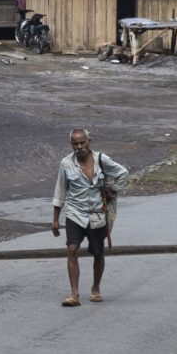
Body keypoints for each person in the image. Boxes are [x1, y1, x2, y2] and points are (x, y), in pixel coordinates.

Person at [50, 128, 127, 306]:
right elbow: (60, 191)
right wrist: (55, 219)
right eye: (75, 144)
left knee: (98, 253)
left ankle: (95, 289)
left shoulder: (101, 159)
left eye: (82, 142)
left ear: (88, 141)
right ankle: (74, 295)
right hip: (75, 214)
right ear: (71, 145)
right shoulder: (66, 163)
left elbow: (122, 173)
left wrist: (112, 191)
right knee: (72, 249)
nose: (79, 147)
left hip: (98, 215)